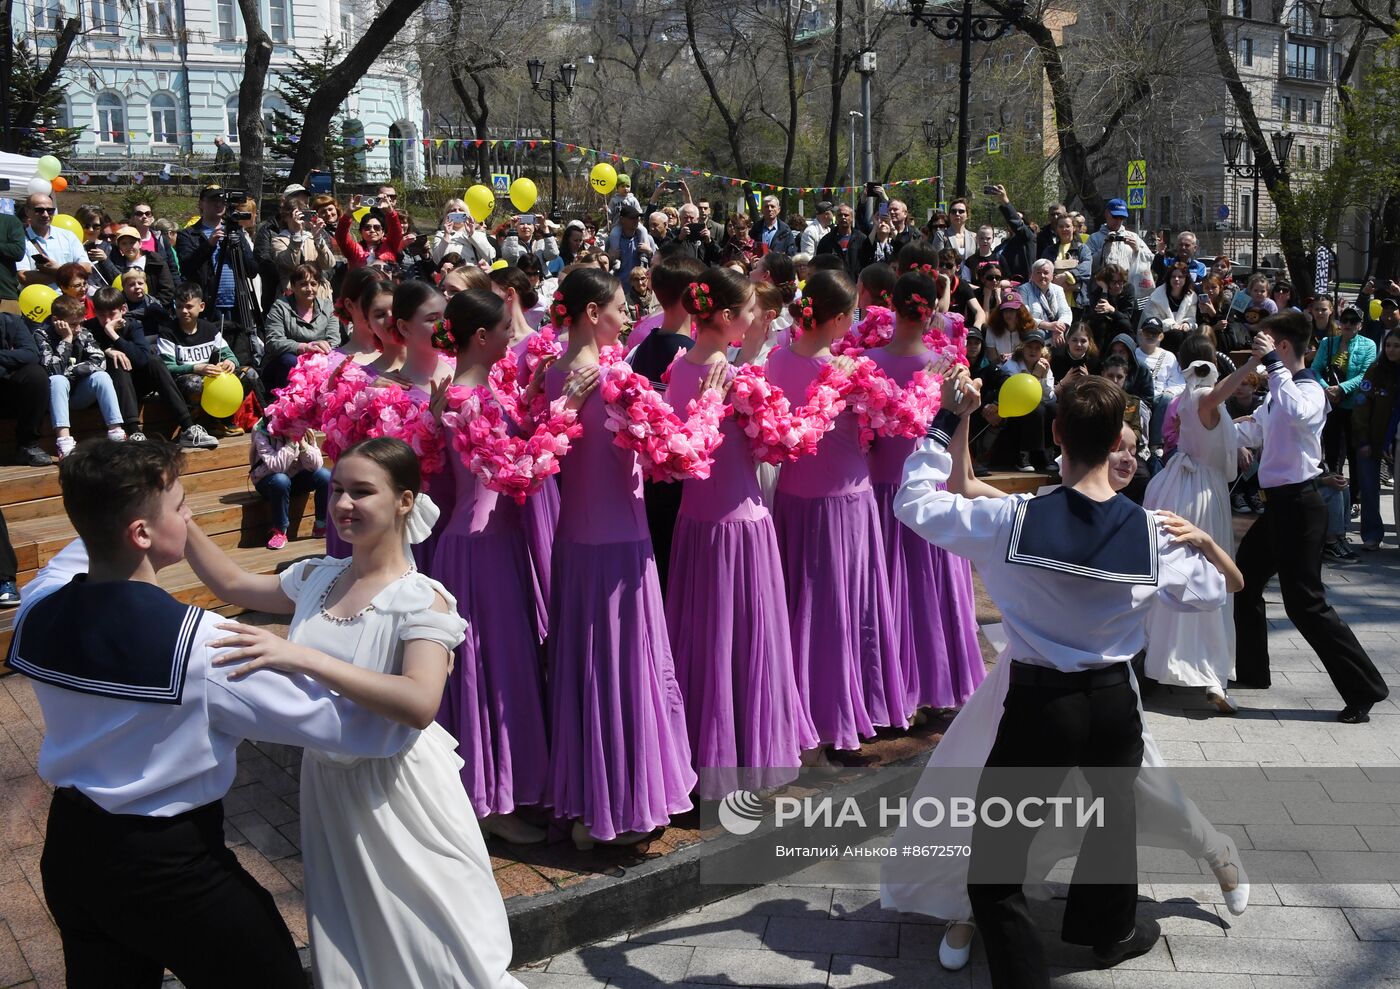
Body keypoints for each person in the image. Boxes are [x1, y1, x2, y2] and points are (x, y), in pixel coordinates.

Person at [9, 440, 421, 988]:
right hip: (169, 870)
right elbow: (360, 729)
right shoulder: (205, 647)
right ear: (142, 534)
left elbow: (82, 546)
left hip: (70, 855)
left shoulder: (36, 607)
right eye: (181, 507)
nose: (191, 515)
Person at [892, 371, 1239, 987]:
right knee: (1112, 823)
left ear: (1056, 434)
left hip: (1039, 704)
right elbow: (1223, 590)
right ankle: (1107, 933)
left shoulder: (1013, 521)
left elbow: (915, 503)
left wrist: (945, 420)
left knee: (996, 868)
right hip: (1111, 704)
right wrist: (1208, 541)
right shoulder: (1153, 535)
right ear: (1115, 445)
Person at [180, 436, 522, 988]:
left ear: (405, 501)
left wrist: (304, 657)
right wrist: (178, 512)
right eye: (337, 490)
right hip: (328, 788)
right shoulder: (319, 577)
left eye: (362, 492)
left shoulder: (422, 598)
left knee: (437, 947)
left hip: (399, 791)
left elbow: (419, 702)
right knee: (353, 940)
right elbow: (231, 583)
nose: (342, 504)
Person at [543, 267, 710, 846]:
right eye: (618, 306)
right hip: (619, 542)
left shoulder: (551, 375)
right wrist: (710, 401)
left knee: (586, 671)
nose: (627, 316)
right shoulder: (617, 377)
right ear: (592, 313)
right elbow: (680, 453)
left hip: (574, 539)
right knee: (623, 670)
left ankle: (589, 802)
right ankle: (619, 809)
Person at [432, 290, 595, 843]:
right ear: (481, 338)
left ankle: (500, 791)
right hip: (479, 550)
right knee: (488, 674)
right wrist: (567, 410)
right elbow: (516, 474)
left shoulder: (474, 391)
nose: (514, 336)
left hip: (492, 544)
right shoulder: (469, 397)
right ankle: (490, 804)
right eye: (505, 328)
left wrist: (529, 392)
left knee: (501, 669)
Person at [662, 268, 818, 794]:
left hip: (696, 526)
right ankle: (750, 752)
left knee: (705, 640)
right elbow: (783, 444)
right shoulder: (740, 380)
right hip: (741, 527)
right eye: (750, 310)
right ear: (727, 318)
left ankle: (706, 752)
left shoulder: (675, 370)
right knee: (748, 640)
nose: (756, 319)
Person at [767, 269, 906, 758]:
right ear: (843, 317)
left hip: (794, 497)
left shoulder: (775, 360)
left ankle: (802, 708)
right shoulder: (851, 369)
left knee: (801, 607)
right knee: (844, 609)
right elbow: (897, 419)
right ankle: (841, 713)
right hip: (844, 501)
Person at [1232, 312, 1391, 723]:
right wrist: (1208, 421)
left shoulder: (1310, 389)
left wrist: (1271, 368)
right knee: (1243, 581)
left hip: (1301, 506)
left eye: (1266, 345)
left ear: (1283, 348)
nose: (1259, 351)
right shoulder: (1278, 391)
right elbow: (1255, 431)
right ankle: (1252, 673)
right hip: (1279, 506)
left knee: (1306, 604)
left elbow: (1298, 414)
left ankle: (1364, 689)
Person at [866, 273, 985, 716]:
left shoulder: (864, 362)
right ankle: (937, 684)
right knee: (929, 593)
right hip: (927, 492)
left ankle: (895, 691)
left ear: (890, 306)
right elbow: (958, 461)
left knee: (888, 593)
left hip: (878, 494)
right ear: (933, 310)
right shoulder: (950, 370)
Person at [1144, 347, 1256, 714]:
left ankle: (1177, 662)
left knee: (1186, 572)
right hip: (1198, 494)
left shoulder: (1196, 403)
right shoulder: (1199, 398)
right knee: (1206, 574)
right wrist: (1254, 362)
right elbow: (1218, 395)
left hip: (1192, 486)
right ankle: (1206, 673)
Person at [86, 287, 218, 450]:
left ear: (123, 310)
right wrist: (108, 351)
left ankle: (188, 427)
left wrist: (114, 336)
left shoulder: (133, 326)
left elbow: (142, 359)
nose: (107, 321)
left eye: (111, 314)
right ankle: (134, 431)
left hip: (137, 385)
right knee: (118, 362)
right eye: (102, 315)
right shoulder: (90, 328)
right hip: (111, 389)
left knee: (155, 361)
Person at [154, 283, 260, 438]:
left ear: (201, 306)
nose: (184, 311)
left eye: (189, 306)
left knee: (249, 374)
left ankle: (222, 419)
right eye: (180, 306)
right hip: (184, 384)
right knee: (194, 382)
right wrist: (196, 368)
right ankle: (196, 424)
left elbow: (231, 356)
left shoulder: (210, 329)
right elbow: (167, 367)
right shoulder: (167, 332)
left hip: (212, 380)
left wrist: (229, 363)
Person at [38, 295, 126, 457]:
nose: (78, 329)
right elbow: (52, 370)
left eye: (81, 323)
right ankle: (64, 442)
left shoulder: (84, 333)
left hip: (79, 395)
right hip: (54, 398)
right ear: (57, 320)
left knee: (102, 377)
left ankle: (116, 433)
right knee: (58, 380)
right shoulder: (42, 335)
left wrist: (71, 371)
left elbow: (99, 361)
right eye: (73, 324)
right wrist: (67, 339)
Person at [1312, 304, 1375, 508]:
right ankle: (1335, 496)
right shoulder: (1327, 343)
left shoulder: (1369, 345)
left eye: (1353, 321)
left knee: (1355, 456)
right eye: (1345, 320)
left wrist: (1341, 389)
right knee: (1332, 454)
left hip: (1356, 409)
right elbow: (1315, 370)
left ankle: (1354, 498)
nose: (1348, 324)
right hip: (1331, 407)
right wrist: (1327, 389)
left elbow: (1366, 374)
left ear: (1360, 324)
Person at [177, 187, 257, 326]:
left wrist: (234, 248)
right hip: (207, 305)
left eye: (221, 200)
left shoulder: (235, 231)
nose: (218, 204)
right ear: (201, 204)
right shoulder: (189, 234)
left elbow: (252, 270)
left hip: (237, 303)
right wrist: (209, 245)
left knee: (240, 346)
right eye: (213, 200)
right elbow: (186, 268)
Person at [1353, 326, 1400, 550]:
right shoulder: (1376, 369)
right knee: (1370, 488)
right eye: (1388, 345)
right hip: (1371, 439)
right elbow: (1361, 406)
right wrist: (1363, 440)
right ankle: (1372, 534)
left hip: (1396, 440)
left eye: (1397, 346)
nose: (1391, 350)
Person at [262, 262, 343, 390]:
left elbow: (334, 339)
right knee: (290, 361)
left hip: (319, 360)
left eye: (313, 284)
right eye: (303, 284)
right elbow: (274, 342)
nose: (309, 288)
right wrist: (305, 348)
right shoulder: (280, 307)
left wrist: (317, 353)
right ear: (293, 286)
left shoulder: (328, 307)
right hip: (285, 366)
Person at [0, 308, 53, 465]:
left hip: (7, 393)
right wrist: (10, 359)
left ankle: (28, 446)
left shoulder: (12, 322)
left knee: (35, 375)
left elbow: (30, 354)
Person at [17, 194, 88, 289]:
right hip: (37, 301)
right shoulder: (20, 239)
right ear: (27, 211)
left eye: (50, 210)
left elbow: (87, 268)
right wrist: (66, 276)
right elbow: (23, 276)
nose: (46, 214)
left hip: (69, 301)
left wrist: (58, 269)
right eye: (39, 210)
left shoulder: (68, 236)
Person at [1143, 262, 1198, 348]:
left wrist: (1187, 324)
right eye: (1173, 276)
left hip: (1183, 336)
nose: (1176, 279)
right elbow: (1152, 320)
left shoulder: (1192, 297)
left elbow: (1191, 317)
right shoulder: (1157, 296)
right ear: (1169, 278)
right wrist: (1171, 325)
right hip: (1160, 337)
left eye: (1180, 277)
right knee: (1176, 335)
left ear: (1186, 279)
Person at [1016, 259, 1071, 345]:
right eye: (1038, 273)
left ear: (1052, 276)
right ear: (1032, 275)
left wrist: (1058, 329)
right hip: (1034, 334)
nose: (1042, 276)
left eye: (1046, 273)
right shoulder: (1024, 289)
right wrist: (1049, 326)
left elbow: (1065, 312)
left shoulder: (1058, 289)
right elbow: (1023, 316)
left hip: (1056, 334)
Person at [814, 203, 868, 279]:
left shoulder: (862, 239)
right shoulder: (826, 241)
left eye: (846, 215)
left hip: (856, 285)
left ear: (852, 218)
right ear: (836, 219)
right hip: (834, 285)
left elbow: (867, 263)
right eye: (840, 215)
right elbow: (820, 265)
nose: (843, 217)